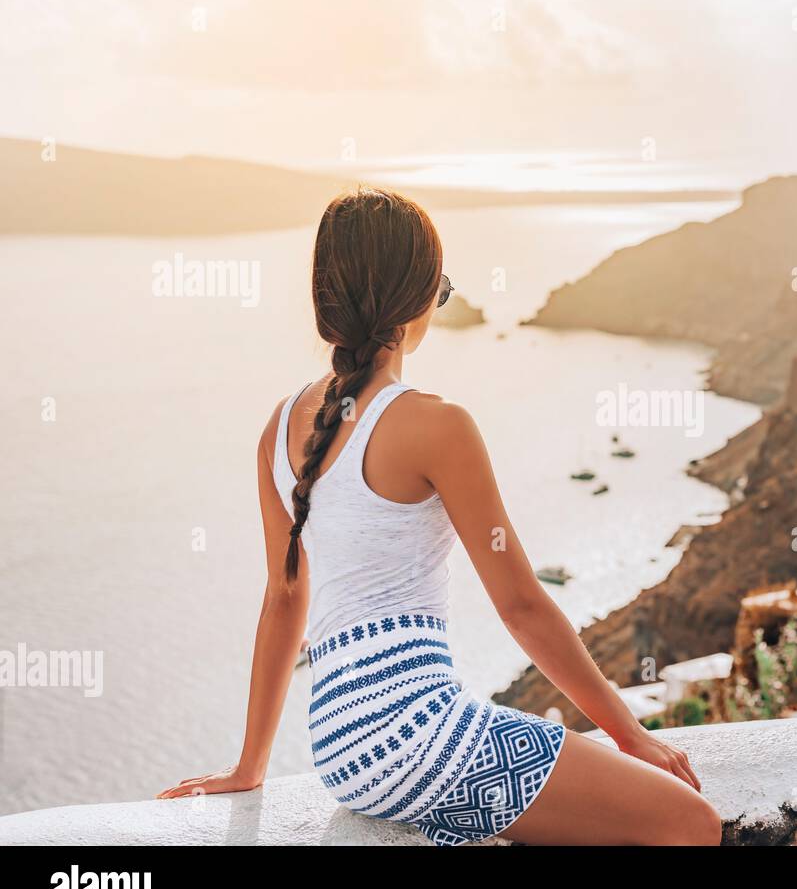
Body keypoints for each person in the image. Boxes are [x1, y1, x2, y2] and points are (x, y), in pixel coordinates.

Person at [159, 188, 721, 846]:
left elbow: (284, 596)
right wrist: (632, 735)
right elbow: (521, 606)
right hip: (417, 737)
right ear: (418, 300)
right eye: (442, 288)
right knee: (691, 823)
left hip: (341, 753)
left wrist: (250, 764)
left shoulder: (277, 428)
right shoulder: (437, 426)